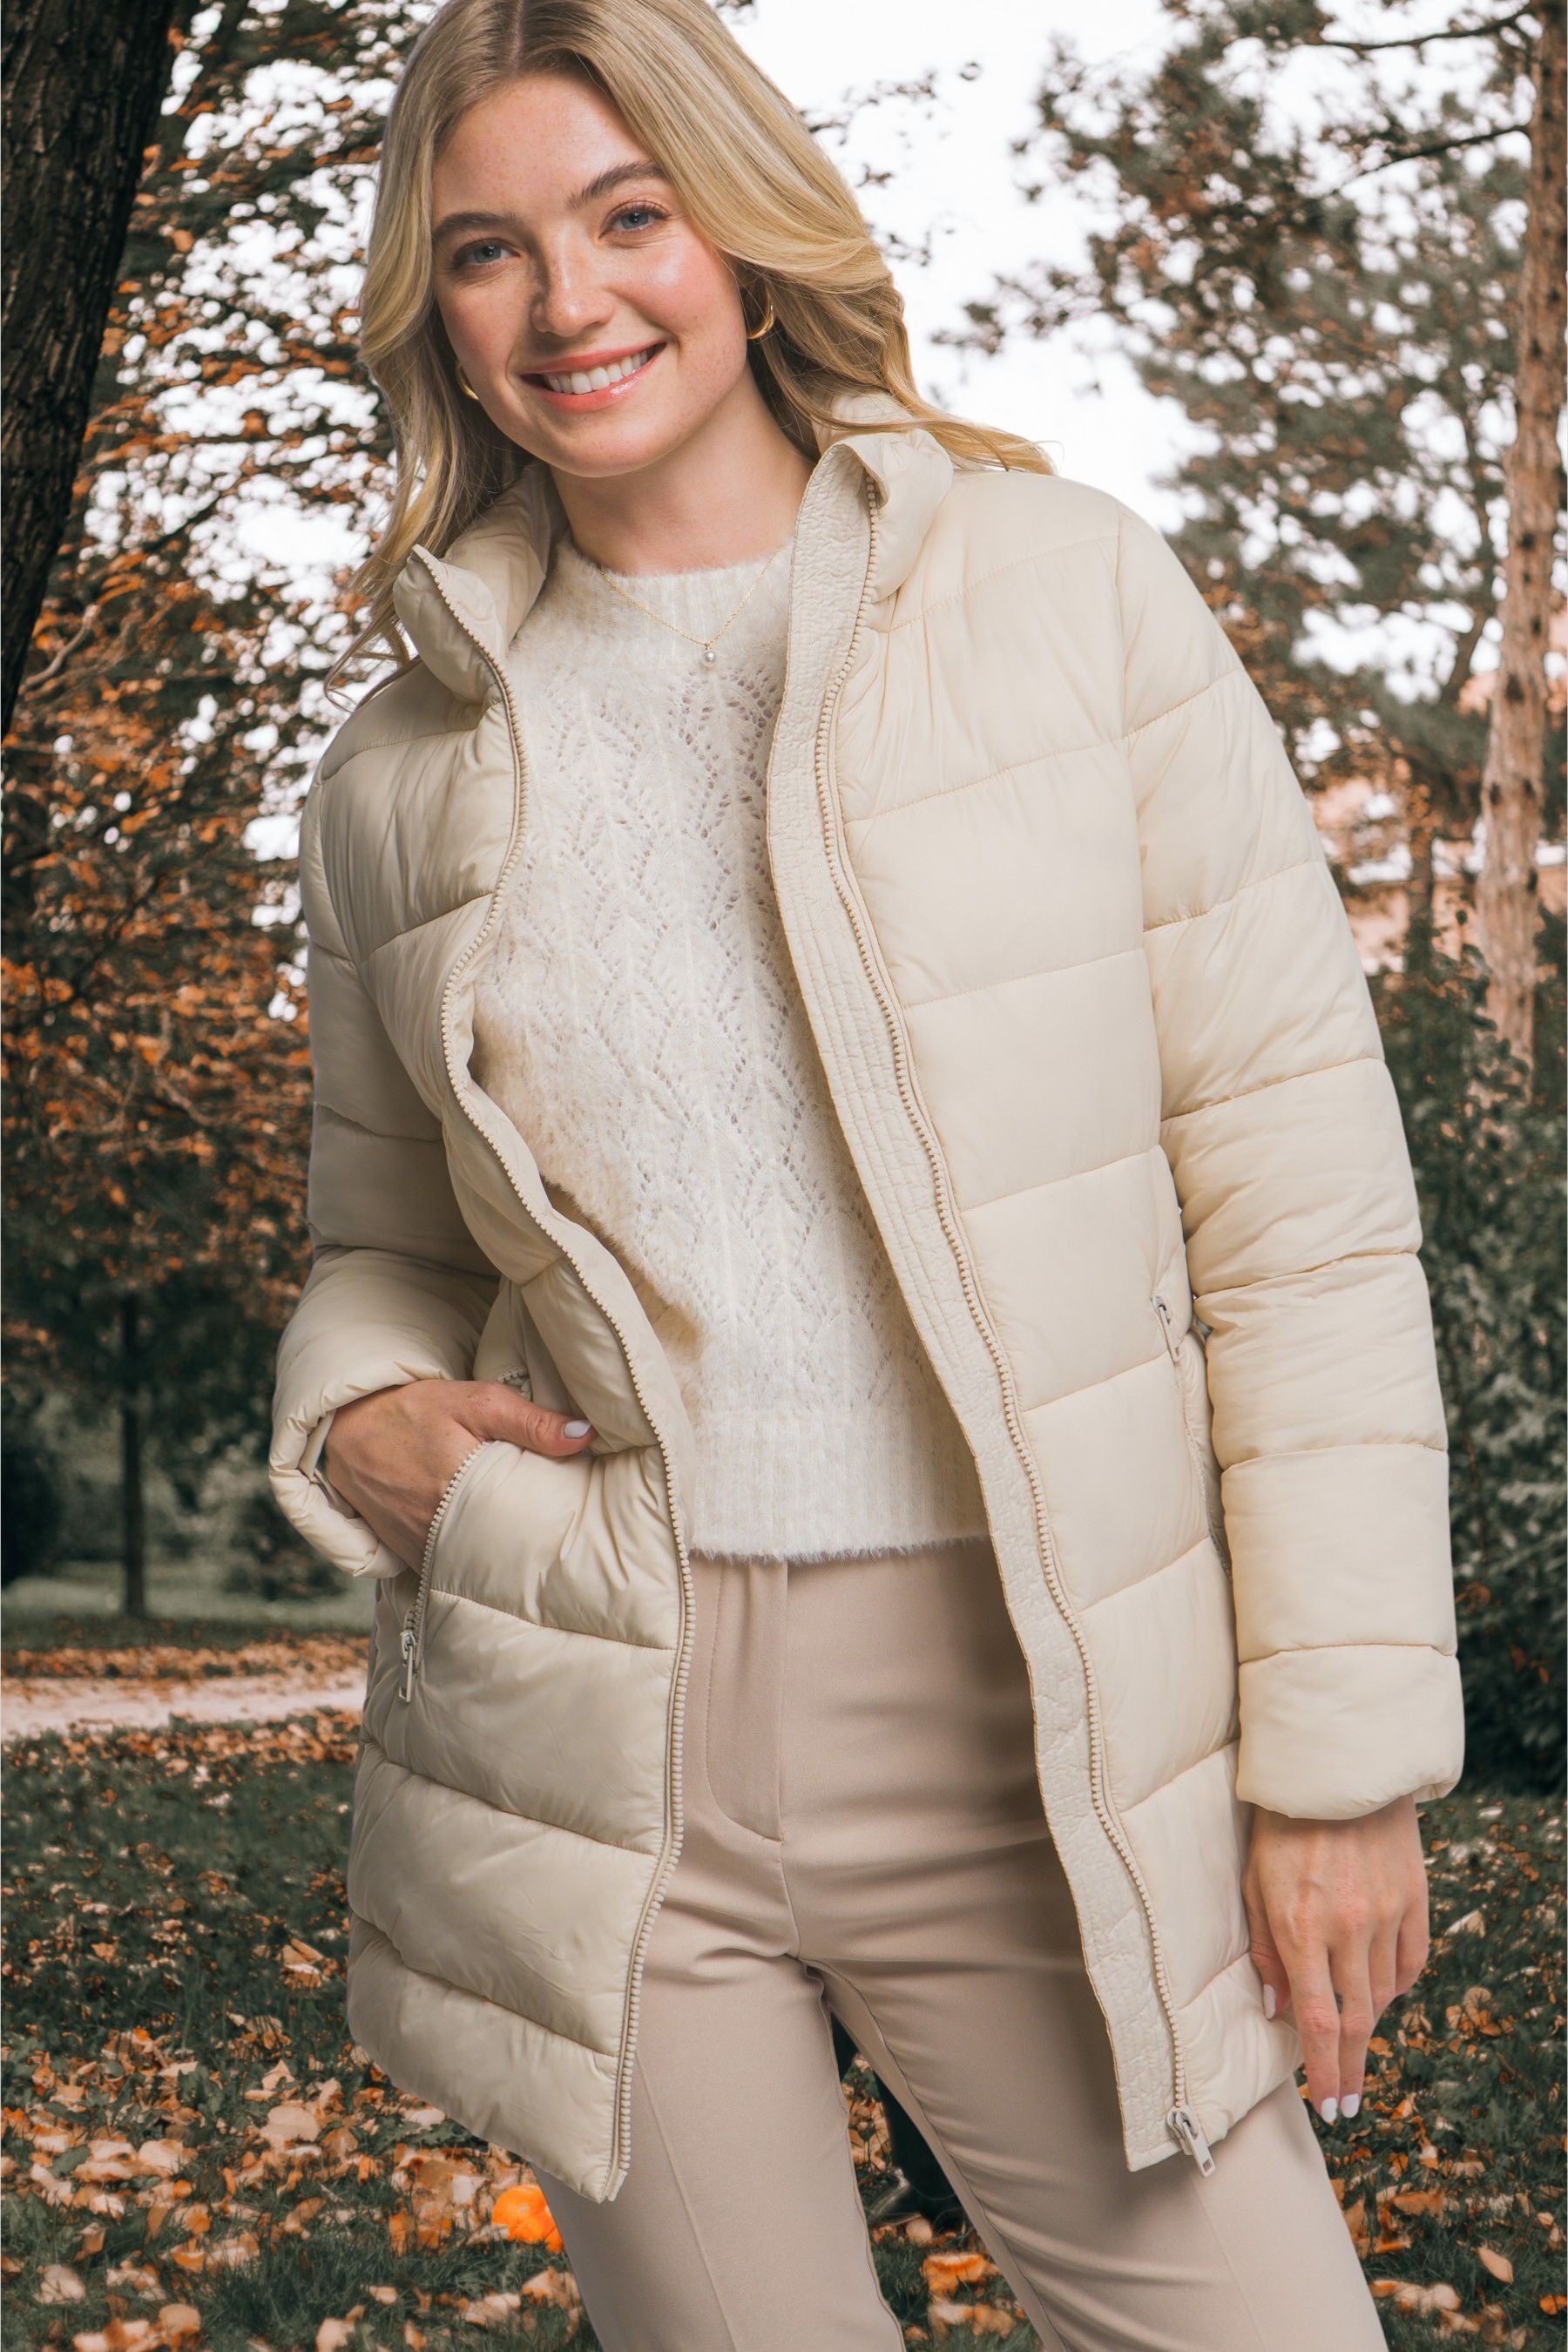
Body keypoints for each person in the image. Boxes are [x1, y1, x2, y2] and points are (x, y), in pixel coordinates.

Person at [267, 2, 1466, 2344]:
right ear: (440, 312)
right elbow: (386, 1244)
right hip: (610, 1730)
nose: (571, 301)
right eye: (489, 249)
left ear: (743, 220)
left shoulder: (1065, 598)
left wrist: (1337, 1763)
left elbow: (1300, 1211)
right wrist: (354, 1409)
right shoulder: (399, 762)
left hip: (1039, 1734)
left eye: (629, 214)